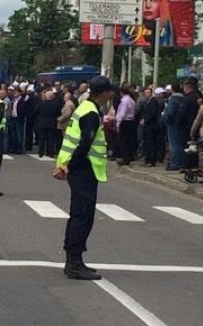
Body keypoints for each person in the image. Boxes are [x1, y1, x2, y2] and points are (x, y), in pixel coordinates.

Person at [56, 75, 116, 281]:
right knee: (82, 216)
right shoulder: (90, 113)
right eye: (110, 91)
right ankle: (74, 262)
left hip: (77, 167)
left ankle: (74, 261)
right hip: (83, 168)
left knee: (78, 214)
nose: (111, 94)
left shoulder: (85, 108)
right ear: (105, 93)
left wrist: (65, 165)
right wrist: (69, 166)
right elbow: (84, 145)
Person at [142, 88, 165, 167]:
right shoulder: (147, 102)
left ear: (151, 93)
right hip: (148, 126)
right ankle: (148, 159)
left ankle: (151, 160)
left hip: (152, 126)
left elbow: (152, 113)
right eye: (145, 93)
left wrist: (145, 120)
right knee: (148, 143)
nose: (146, 94)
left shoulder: (153, 102)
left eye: (148, 92)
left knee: (151, 143)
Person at [163, 83, 184, 171]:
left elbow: (170, 112)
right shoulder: (182, 98)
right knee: (179, 144)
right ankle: (180, 162)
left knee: (173, 144)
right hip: (180, 123)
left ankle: (175, 164)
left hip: (172, 124)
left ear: (172, 90)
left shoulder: (173, 99)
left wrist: (165, 119)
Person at [114, 86, 136, 165]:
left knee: (122, 141)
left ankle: (125, 158)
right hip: (131, 121)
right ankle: (129, 156)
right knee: (128, 140)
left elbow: (122, 113)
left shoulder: (124, 101)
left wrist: (118, 123)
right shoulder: (131, 100)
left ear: (121, 93)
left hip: (124, 121)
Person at [35, 89, 60, 158]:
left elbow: (36, 111)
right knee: (51, 139)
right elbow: (58, 113)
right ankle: (50, 153)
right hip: (51, 123)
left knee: (42, 139)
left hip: (42, 122)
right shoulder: (55, 104)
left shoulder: (41, 103)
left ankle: (41, 152)